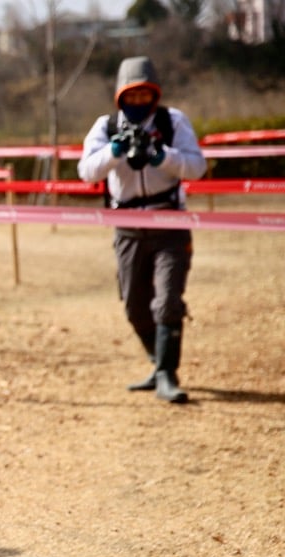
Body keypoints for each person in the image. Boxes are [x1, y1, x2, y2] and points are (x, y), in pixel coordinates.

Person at [77, 56, 207, 404]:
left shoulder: (172, 121)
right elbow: (86, 171)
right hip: (128, 228)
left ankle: (167, 374)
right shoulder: (106, 126)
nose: (137, 102)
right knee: (135, 307)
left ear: (155, 93)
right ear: (121, 96)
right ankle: (157, 362)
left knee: (166, 302)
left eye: (144, 94)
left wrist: (160, 155)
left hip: (170, 225)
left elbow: (197, 167)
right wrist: (114, 151)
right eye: (130, 96)